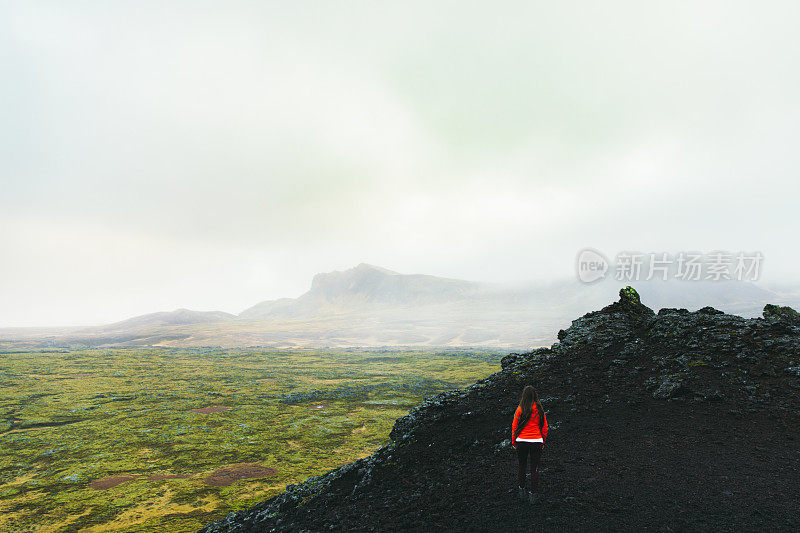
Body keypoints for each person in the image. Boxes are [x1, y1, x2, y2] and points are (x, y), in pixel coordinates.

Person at [511, 385, 548, 504]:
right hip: (536, 441)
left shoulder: (520, 409)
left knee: (522, 466)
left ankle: (521, 491)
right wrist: (543, 441)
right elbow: (545, 427)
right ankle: (533, 496)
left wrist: (514, 441)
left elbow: (514, 427)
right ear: (535, 395)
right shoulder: (539, 409)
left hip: (521, 441)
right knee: (534, 469)